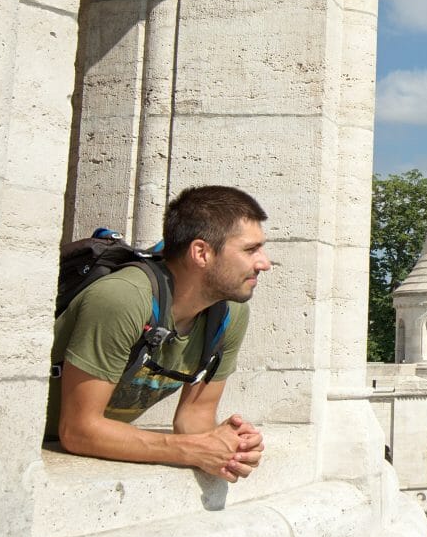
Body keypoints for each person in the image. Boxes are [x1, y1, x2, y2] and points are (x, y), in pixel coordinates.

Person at [46, 186, 271, 482]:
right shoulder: (123, 298)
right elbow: (78, 430)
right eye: (250, 249)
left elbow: (193, 418)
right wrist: (188, 449)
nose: (264, 263)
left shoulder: (228, 313)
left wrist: (231, 447)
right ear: (201, 252)